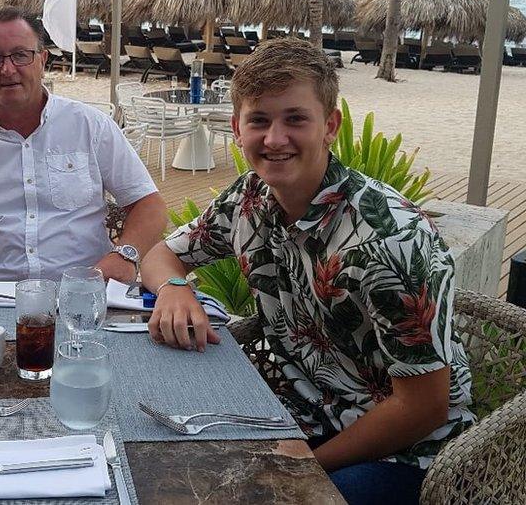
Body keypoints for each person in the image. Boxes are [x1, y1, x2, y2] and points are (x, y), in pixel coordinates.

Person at [140, 38, 474, 504]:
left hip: (403, 452)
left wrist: (305, 465)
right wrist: (176, 287)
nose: (275, 139)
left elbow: (423, 409)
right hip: (296, 411)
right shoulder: (250, 199)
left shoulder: (387, 240)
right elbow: (161, 254)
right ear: (237, 128)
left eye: (295, 119)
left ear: (330, 126)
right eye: (259, 120)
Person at [0, 6, 166, 283]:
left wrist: (125, 255)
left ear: (42, 61)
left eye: (21, 55)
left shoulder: (89, 125)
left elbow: (150, 205)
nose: (8, 69)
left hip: (83, 292)